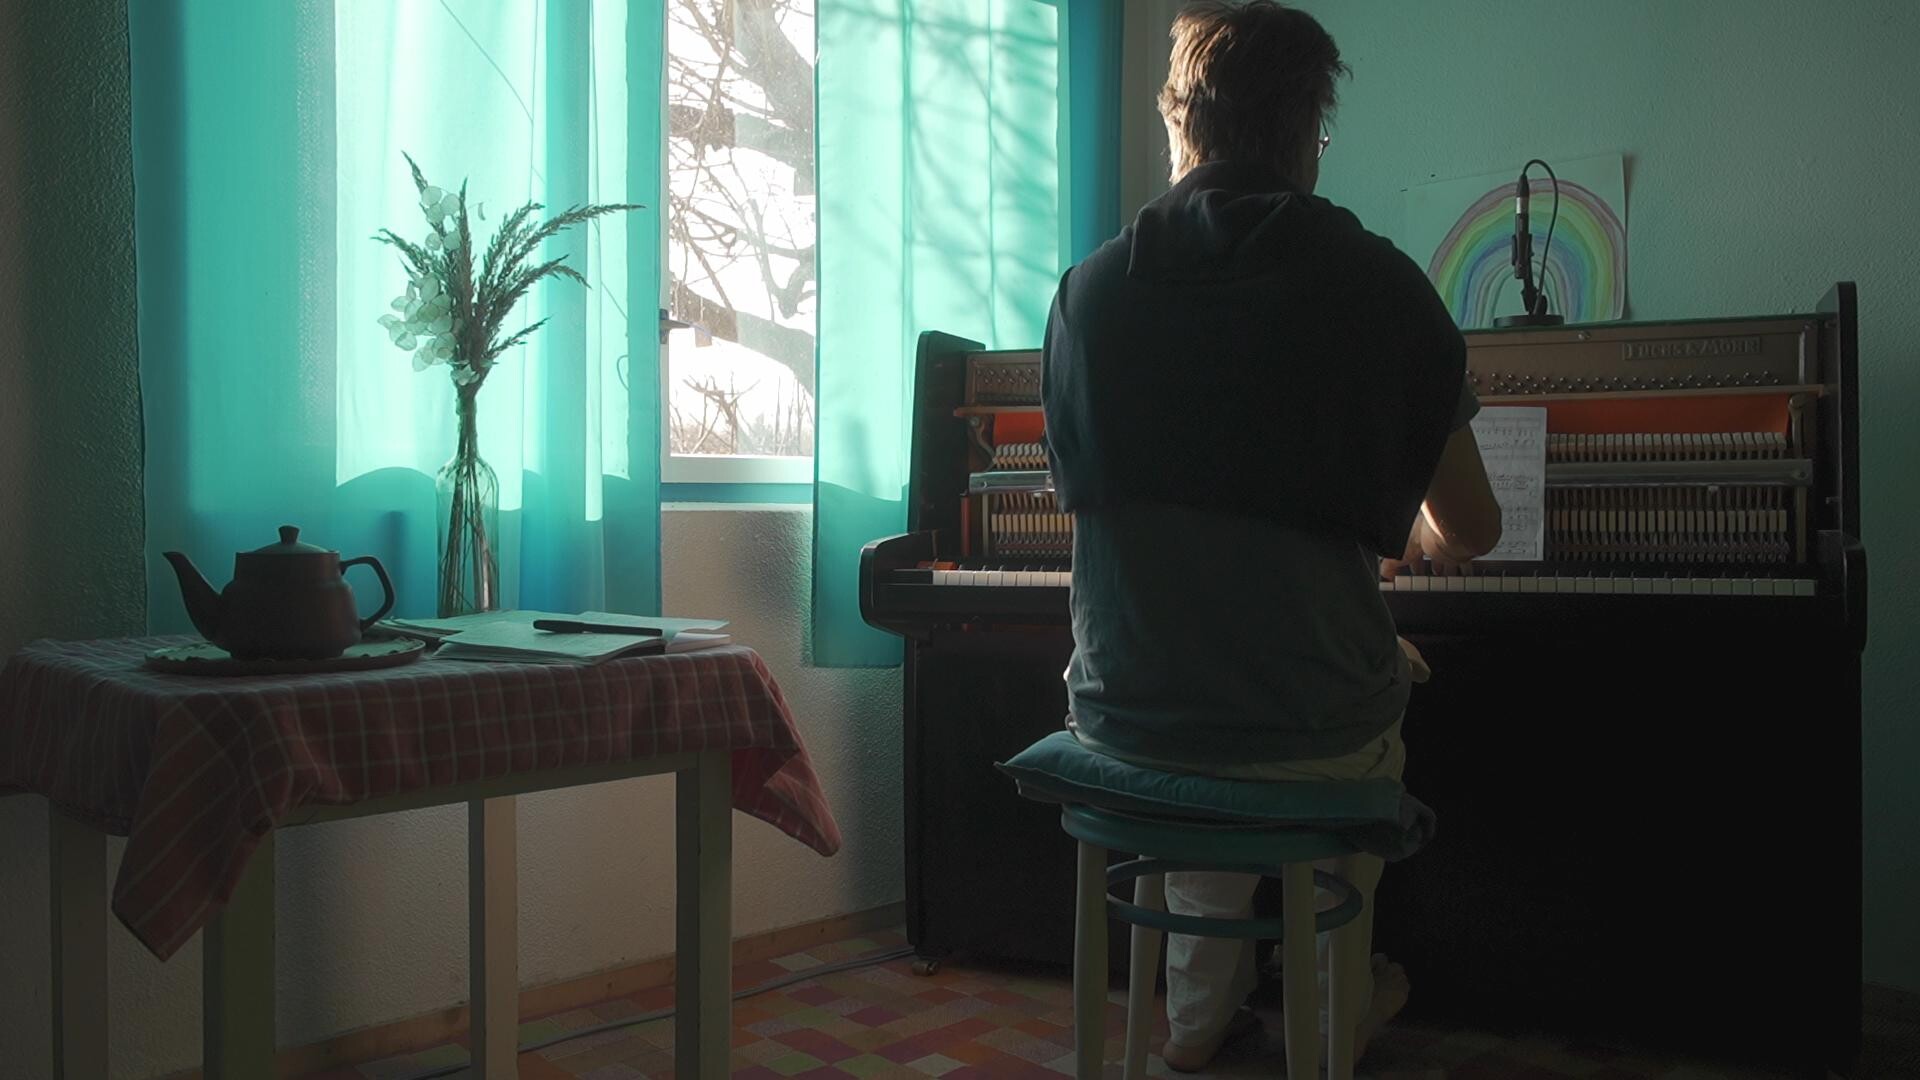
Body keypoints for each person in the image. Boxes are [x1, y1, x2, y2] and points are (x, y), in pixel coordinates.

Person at [1040, 1, 1501, 1071]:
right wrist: (1411, 543)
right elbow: (1473, 528)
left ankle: (1196, 1022)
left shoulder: (1086, 296)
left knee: (1203, 721)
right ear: (1307, 135)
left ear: (1178, 127)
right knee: (1330, 706)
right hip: (1302, 722)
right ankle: (1331, 1018)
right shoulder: (1385, 289)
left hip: (1125, 719)